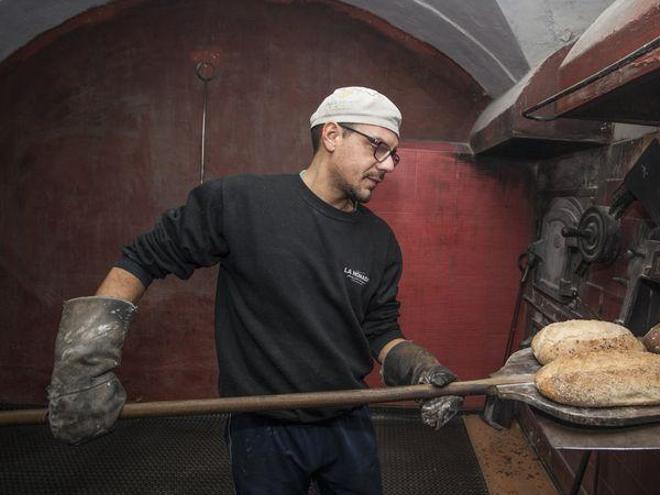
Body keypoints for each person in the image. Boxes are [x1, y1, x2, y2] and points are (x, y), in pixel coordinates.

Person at [46, 86, 463, 495]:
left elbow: (380, 329)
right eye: (378, 146)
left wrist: (419, 369)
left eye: (394, 154)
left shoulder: (379, 241)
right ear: (332, 135)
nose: (388, 165)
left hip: (348, 419)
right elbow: (143, 258)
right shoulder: (241, 202)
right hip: (261, 427)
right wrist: (84, 363)